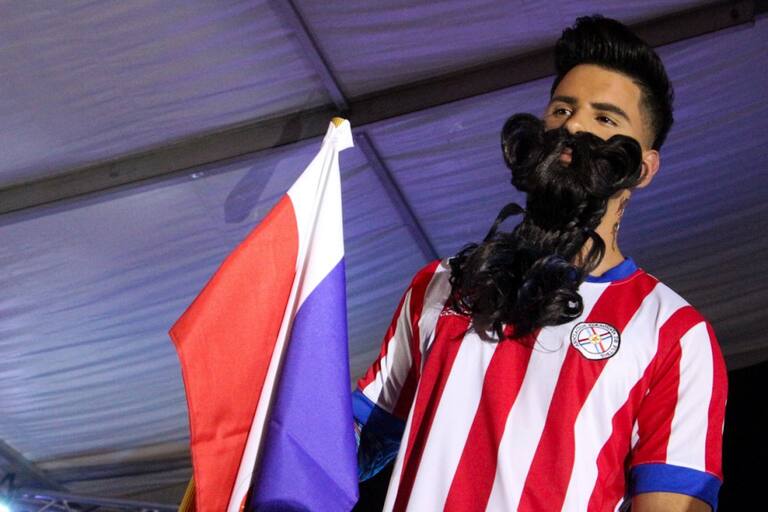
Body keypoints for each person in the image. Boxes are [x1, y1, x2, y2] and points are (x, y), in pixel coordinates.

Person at [352, 15, 727, 512]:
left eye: (605, 119)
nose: (573, 126)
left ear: (644, 168)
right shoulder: (445, 283)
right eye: (562, 109)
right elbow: (349, 442)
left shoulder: (674, 334)